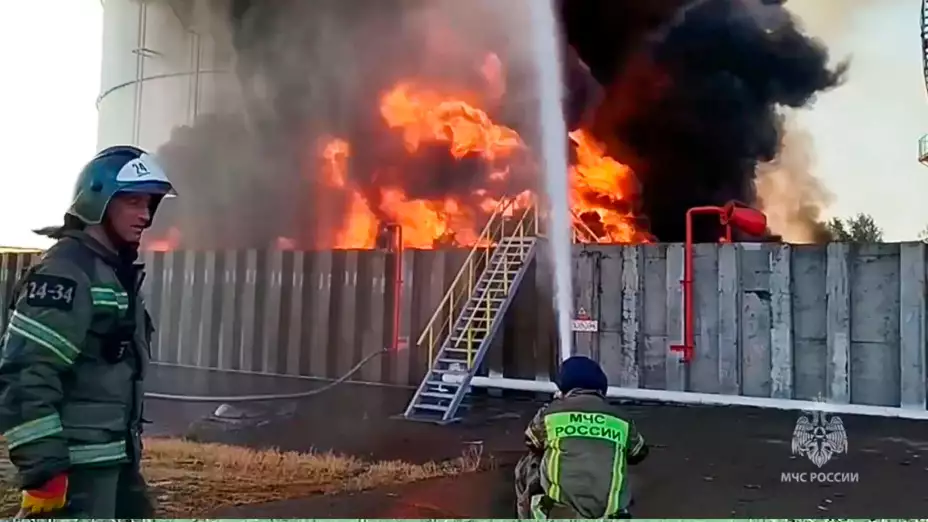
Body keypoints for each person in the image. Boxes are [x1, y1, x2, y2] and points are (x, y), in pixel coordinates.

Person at [0, 145, 176, 518]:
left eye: (149, 204)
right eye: (132, 202)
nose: (145, 215)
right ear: (98, 201)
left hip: (112, 462)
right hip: (73, 471)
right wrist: (44, 470)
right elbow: (25, 375)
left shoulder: (111, 273)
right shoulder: (66, 273)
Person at [514, 355, 649, 519]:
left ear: (564, 388)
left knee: (529, 463)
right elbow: (639, 453)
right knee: (618, 460)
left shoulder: (550, 413)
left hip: (560, 515)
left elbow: (531, 441)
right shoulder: (621, 419)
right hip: (609, 515)